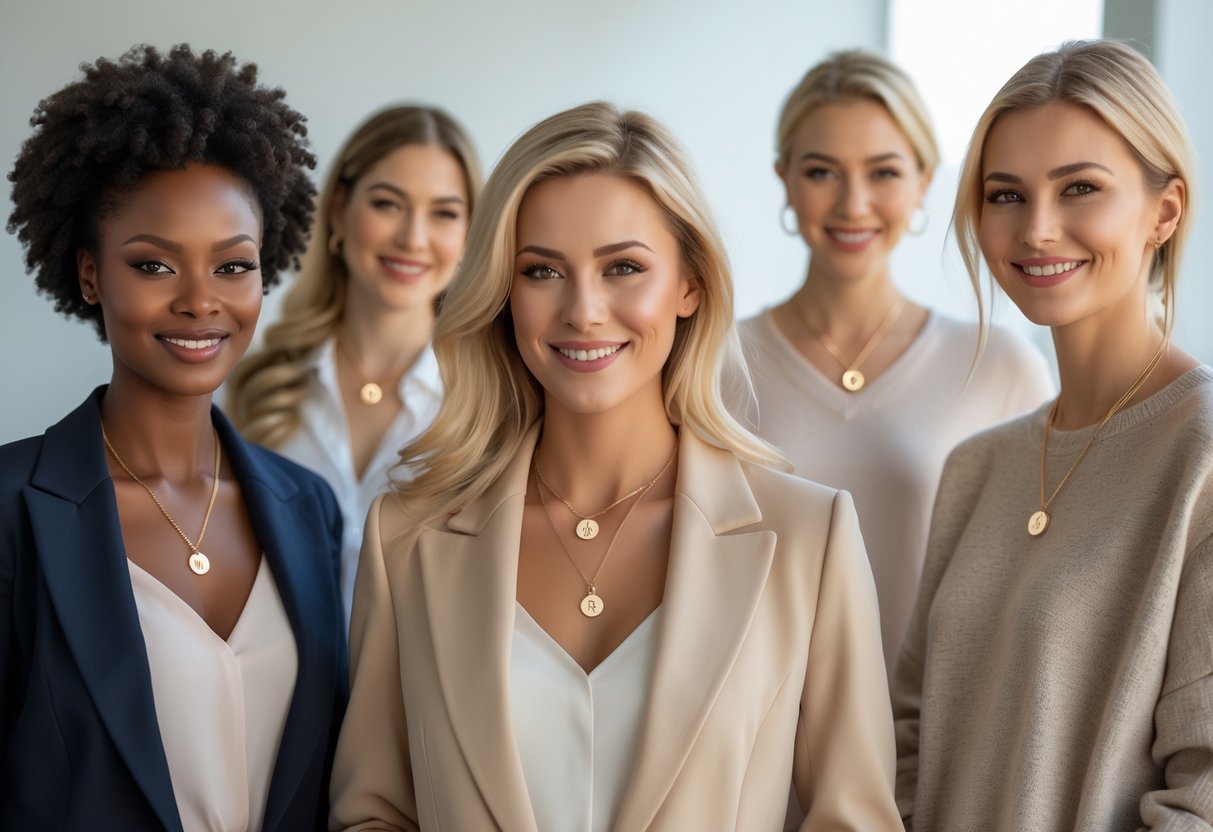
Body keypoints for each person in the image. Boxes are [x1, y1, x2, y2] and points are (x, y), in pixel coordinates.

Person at [328, 102, 901, 831]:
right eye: (542, 271)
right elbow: (371, 811)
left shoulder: (807, 536)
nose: (584, 310)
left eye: (623, 267)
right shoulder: (406, 535)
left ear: (690, 284)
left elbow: (853, 819)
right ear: (504, 292)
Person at [2, 44, 345, 831]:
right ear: (90, 274)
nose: (201, 302)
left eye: (232, 267)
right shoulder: (14, 508)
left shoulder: (308, 510)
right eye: (155, 266)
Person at [893, 40, 1213, 829]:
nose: (1036, 229)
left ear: (1162, 211)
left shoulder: (1199, 456)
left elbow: (1202, 798)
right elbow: (907, 738)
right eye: (1005, 195)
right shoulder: (977, 467)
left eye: (1079, 189)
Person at [738, 50, 1053, 674]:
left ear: (924, 181)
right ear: (785, 179)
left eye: (882, 173)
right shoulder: (715, 363)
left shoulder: (998, 367)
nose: (853, 204)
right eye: (822, 172)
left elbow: (1039, 592)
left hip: (938, 740)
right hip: (758, 743)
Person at [228, 106, 480, 628]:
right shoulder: (261, 388)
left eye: (444, 213)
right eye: (388, 204)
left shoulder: (487, 404)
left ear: (470, 234)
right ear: (339, 211)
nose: (413, 238)